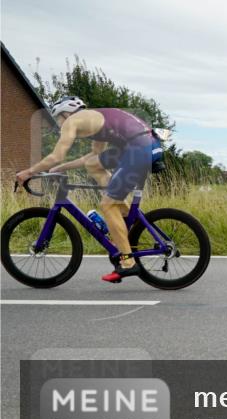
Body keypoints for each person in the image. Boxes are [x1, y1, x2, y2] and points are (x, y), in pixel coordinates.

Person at [15, 96, 163, 283]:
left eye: (58, 118)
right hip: (148, 145)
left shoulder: (72, 121)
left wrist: (28, 172)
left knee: (107, 205)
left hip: (139, 150)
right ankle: (123, 213)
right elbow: (93, 157)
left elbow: (56, 155)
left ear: (66, 112)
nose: (59, 124)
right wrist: (60, 168)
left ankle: (128, 263)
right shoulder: (94, 119)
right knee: (94, 164)